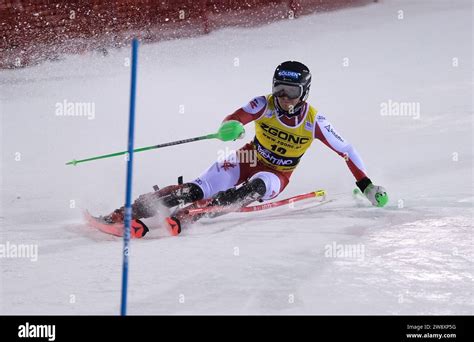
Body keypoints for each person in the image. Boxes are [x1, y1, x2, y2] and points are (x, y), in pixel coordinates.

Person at [104, 61, 388, 237]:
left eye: (292, 92)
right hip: (248, 157)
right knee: (195, 188)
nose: (284, 98)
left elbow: (346, 149)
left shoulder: (315, 121)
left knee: (253, 189)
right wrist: (231, 128)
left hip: (278, 174)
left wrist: (366, 185)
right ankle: (126, 212)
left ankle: (191, 215)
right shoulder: (263, 103)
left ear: (305, 93)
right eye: (279, 89)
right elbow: (234, 119)